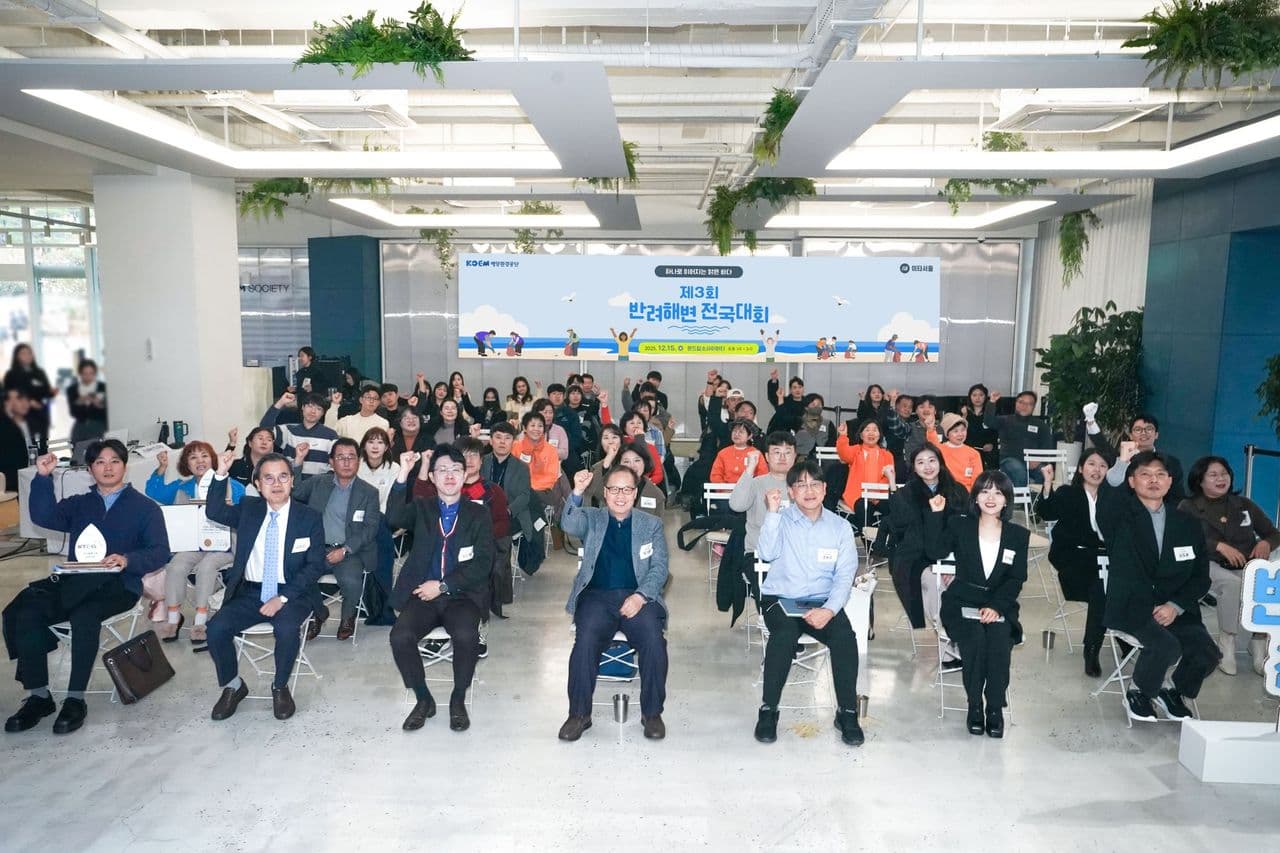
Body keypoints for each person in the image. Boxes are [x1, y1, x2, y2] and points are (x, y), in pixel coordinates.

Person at [3, 441, 169, 734]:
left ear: (125, 466)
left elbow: (159, 552)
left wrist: (127, 559)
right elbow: (43, 517)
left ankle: (75, 699)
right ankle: (39, 697)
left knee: (84, 616)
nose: (108, 467)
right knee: (27, 610)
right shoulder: (80, 504)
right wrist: (43, 478)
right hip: (76, 582)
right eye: (100, 462)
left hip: (120, 585)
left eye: (114, 461)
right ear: (90, 469)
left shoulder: (145, 508)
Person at [204, 449, 327, 722]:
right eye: (268, 478)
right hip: (250, 592)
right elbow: (214, 511)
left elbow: (315, 566)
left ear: (292, 480)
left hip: (293, 593)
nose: (277, 484)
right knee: (216, 629)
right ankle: (233, 685)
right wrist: (221, 473)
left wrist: (281, 598)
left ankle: (280, 686)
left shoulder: (309, 517)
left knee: (286, 629)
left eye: (283, 477)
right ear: (258, 485)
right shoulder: (249, 509)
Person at [1101, 451, 1219, 722]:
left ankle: (1173, 691)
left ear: (1170, 481)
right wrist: (1122, 463)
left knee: (1207, 654)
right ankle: (1139, 691)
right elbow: (1106, 502)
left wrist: (1175, 606)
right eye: (1145, 474)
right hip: (1132, 607)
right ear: (1132, 482)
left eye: (1160, 475)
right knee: (1166, 646)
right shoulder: (1119, 518)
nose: (1153, 480)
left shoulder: (1188, 524)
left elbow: (1201, 577)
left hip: (1175, 608)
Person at [753, 460, 864, 746]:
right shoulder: (781, 519)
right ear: (790, 492)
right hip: (781, 599)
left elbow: (845, 575)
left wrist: (829, 610)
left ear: (825, 489)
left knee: (844, 638)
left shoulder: (840, 527)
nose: (809, 491)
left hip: (822, 602)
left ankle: (847, 713)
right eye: (801, 485)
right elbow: (766, 553)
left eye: (815, 484)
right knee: (784, 636)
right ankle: (768, 710)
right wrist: (772, 513)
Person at [558, 465, 670, 741]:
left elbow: (660, 568)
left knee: (654, 641)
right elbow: (568, 525)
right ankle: (579, 714)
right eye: (614, 489)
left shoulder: (651, 525)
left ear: (635, 493)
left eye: (627, 489)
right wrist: (577, 492)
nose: (621, 495)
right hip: (597, 596)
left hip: (638, 596)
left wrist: (641, 596)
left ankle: (652, 713)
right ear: (605, 493)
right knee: (585, 642)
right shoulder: (592, 518)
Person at [390, 447, 494, 732]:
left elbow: (483, 562)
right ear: (433, 477)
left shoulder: (478, 513)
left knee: (466, 636)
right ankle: (423, 699)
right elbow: (394, 518)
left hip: (462, 595)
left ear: (465, 475)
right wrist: (404, 472)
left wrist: (445, 585)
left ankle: (458, 698)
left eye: (456, 470)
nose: (449, 476)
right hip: (423, 595)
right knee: (400, 636)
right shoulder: (422, 508)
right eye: (443, 470)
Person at [925, 471, 1028, 738]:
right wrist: (936, 515)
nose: (991, 498)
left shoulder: (1018, 535)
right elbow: (935, 551)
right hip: (961, 601)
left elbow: (1016, 578)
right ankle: (974, 705)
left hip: (999, 604)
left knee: (998, 640)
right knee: (975, 640)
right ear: (976, 497)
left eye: (998, 492)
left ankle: (994, 707)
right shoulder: (960, 525)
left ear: (1007, 500)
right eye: (985, 491)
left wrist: (996, 606)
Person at [1179, 455, 1279, 676]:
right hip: (1205, 564)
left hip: (1246, 565)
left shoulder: (1243, 505)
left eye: (1224, 474)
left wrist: (1265, 543)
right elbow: (1182, 538)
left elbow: (1273, 533)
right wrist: (1218, 546)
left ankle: (1259, 641)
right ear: (1200, 480)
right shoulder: (1188, 506)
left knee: (1264, 586)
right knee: (1232, 585)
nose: (1220, 479)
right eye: (1213, 475)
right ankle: (1227, 641)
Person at [145, 440, 245, 645]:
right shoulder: (182, 488)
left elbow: (243, 515)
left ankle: (201, 620)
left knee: (207, 566)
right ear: (186, 464)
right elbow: (153, 491)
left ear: (213, 459)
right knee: (175, 565)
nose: (200, 461)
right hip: (194, 544)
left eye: (204, 456)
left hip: (225, 545)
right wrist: (162, 467)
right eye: (193, 457)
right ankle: (174, 618)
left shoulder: (233, 486)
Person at [289, 438, 381, 641]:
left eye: (351, 457)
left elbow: (370, 528)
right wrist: (298, 462)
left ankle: (347, 617)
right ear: (331, 462)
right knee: (298, 575)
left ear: (359, 461)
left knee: (351, 582)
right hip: (317, 549)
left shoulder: (369, 492)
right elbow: (294, 492)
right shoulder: (318, 483)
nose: (346, 462)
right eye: (340, 457)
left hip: (350, 551)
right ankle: (318, 613)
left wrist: (345, 550)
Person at [888, 444, 970, 669]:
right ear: (914, 467)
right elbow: (905, 529)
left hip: (951, 555)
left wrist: (951, 565)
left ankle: (956, 645)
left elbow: (964, 531)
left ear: (940, 462)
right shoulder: (905, 494)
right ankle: (952, 644)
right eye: (920, 462)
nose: (927, 466)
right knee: (935, 584)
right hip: (914, 556)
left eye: (932, 460)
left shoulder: (958, 491)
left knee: (960, 586)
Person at [1035, 449, 1113, 677]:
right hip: (1073, 558)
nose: (1097, 470)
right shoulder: (1068, 493)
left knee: (1121, 585)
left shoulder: (1113, 497)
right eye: (1091, 464)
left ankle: (1124, 637)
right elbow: (1047, 513)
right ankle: (1092, 649)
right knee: (1103, 589)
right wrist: (1047, 484)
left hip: (1106, 558)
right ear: (1080, 468)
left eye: (1103, 465)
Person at [729, 432, 796, 561]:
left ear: (794, 456)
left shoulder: (802, 485)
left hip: (793, 555)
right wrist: (750, 468)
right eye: (777, 452)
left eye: (787, 453)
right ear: (767, 457)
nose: (782, 457)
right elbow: (736, 506)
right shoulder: (756, 483)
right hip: (757, 553)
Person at [1095, 412, 1186, 504]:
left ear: (1156, 434)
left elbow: (1177, 497)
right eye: (1138, 430)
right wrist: (1123, 462)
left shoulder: (1172, 463)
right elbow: (1113, 486)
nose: (1143, 433)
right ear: (1130, 435)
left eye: (1149, 429)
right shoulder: (1120, 460)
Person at [482, 422, 537, 549]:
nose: (502, 442)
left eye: (507, 438)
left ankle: (500, 558)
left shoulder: (521, 467)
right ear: (491, 441)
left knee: (498, 530)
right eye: (498, 437)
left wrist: (507, 510)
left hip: (511, 513)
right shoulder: (481, 462)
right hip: (484, 512)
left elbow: (524, 496)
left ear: (513, 442)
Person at [259, 390, 338, 478]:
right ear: (302, 407)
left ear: (323, 413)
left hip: (319, 484)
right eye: (310, 406)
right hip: (291, 481)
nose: (313, 411)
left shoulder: (331, 435)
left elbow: (336, 464)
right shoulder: (289, 431)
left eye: (318, 409)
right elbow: (265, 428)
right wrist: (281, 402)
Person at [983, 390, 1054, 487]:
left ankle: (1037, 496)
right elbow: (988, 421)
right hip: (1009, 460)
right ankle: (1020, 497)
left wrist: (1039, 461)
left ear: (1034, 406)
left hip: (1033, 461)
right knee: (1019, 471)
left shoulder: (1041, 425)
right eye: (1021, 402)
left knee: (1044, 473)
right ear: (1016, 403)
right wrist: (992, 402)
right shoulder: (1005, 420)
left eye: (1029, 404)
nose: (1025, 406)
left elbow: (1047, 446)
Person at [834, 419, 894, 519]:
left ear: (879, 435)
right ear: (861, 436)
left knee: (892, 508)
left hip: (880, 496)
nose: (871, 433)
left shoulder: (887, 455)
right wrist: (843, 435)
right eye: (867, 430)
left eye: (874, 430)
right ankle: (865, 529)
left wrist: (875, 494)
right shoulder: (856, 450)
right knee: (864, 508)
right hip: (858, 496)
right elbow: (843, 454)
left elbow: (888, 478)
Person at [4, 343, 54, 447]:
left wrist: (51, 393)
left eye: (29, 353)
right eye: (23, 353)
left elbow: (46, 391)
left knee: (42, 445)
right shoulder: (11, 374)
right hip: (24, 415)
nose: (27, 356)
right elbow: (11, 395)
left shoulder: (39, 372)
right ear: (17, 356)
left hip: (41, 414)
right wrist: (29, 402)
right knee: (27, 445)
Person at [711, 420, 769, 484]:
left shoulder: (756, 454)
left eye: (741, 432)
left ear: (749, 436)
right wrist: (723, 486)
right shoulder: (723, 453)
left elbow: (763, 474)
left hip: (750, 489)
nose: (737, 434)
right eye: (734, 431)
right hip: (726, 489)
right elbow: (715, 475)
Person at [0, 389, 35, 492]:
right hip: (12, 478)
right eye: (18, 399)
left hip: (33, 471)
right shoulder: (4, 425)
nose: (24, 403)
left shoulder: (30, 422)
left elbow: (38, 447)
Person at [937, 413, 983, 492]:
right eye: (955, 431)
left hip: (967, 493)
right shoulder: (939, 449)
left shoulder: (974, 453)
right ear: (947, 434)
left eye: (963, 430)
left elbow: (977, 478)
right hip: (945, 491)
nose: (960, 434)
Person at [66, 359, 107, 444]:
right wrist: (80, 401)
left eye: (91, 373)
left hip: (98, 426)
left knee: (96, 448)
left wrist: (98, 404)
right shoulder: (72, 389)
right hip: (80, 425)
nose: (88, 377)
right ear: (80, 374)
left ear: (95, 374)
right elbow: (72, 413)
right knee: (77, 448)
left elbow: (107, 412)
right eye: (85, 374)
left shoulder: (103, 387)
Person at [961, 383, 999, 472]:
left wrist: (992, 444)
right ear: (970, 397)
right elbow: (959, 430)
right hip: (968, 448)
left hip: (987, 449)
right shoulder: (964, 411)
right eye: (974, 395)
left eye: (981, 395)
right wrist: (964, 416)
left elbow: (996, 431)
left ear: (985, 397)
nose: (977, 398)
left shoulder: (991, 411)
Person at [794, 393, 836, 460]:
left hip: (823, 458)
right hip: (801, 458)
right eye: (813, 404)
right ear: (806, 407)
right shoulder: (797, 422)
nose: (817, 407)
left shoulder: (828, 423)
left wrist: (823, 455)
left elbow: (832, 442)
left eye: (819, 405)